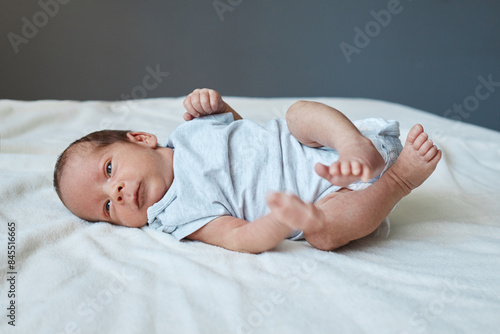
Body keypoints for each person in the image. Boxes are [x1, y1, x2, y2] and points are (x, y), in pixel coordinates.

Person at [53, 88, 441, 253]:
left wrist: (218, 105)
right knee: (324, 233)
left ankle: (355, 145)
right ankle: (399, 179)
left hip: (318, 145)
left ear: (140, 138)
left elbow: (244, 133)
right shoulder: (175, 214)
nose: (116, 193)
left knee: (297, 114)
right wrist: (279, 222)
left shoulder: (189, 131)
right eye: (106, 208)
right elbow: (238, 238)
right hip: (330, 198)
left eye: (108, 170)